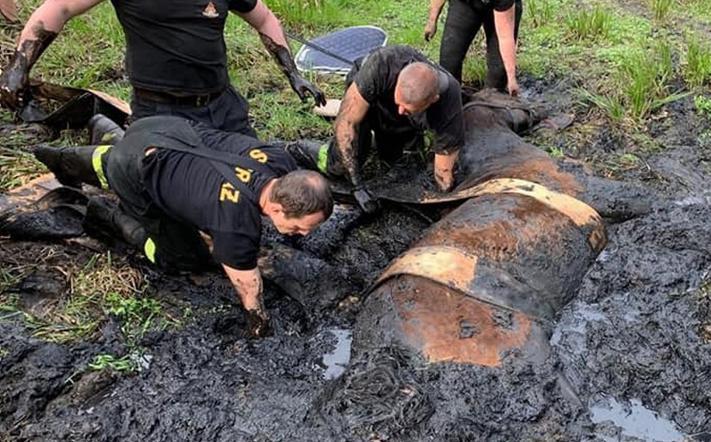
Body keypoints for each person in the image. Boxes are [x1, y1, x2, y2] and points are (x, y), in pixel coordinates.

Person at [33, 115, 333, 337]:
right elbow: (247, 285)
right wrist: (259, 325)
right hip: (135, 167)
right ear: (278, 207)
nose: (304, 234)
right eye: (299, 228)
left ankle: (93, 141)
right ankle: (106, 214)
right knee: (183, 258)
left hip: (162, 128)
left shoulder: (280, 162)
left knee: (136, 154)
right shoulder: (235, 223)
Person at [0, 0, 324, 137]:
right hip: (160, 109)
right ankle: (112, 143)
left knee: (256, 175)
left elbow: (265, 18)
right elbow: (59, 8)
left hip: (223, 105)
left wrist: (292, 72)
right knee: (181, 193)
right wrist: (17, 68)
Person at [289, 45, 464, 213]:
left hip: (403, 112)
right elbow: (346, 123)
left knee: (398, 161)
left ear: (432, 100)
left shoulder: (449, 102)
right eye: (399, 103)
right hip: (368, 96)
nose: (401, 110)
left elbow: (444, 170)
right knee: (340, 164)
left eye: (407, 109)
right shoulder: (381, 65)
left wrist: (444, 200)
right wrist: (356, 185)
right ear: (398, 81)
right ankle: (299, 148)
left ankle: (390, 134)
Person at [424, 0, 521, 96]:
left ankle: (487, 105)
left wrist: (511, 78)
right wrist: (432, 20)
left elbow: (505, 37)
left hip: (502, 9)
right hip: (465, 4)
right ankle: (453, 103)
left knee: (498, 75)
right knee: (449, 63)